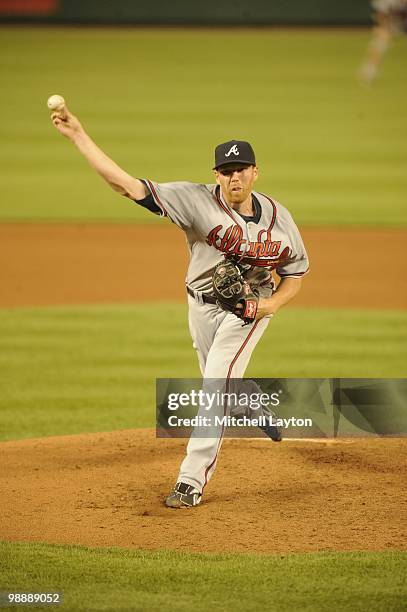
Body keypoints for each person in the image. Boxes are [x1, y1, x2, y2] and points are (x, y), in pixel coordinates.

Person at [51, 107, 309, 508]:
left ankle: (191, 480)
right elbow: (126, 186)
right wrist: (78, 136)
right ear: (216, 174)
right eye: (226, 170)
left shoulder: (279, 219)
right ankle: (246, 399)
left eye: (241, 168)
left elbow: (295, 273)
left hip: (248, 311)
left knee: (212, 389)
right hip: (200, 308)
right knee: (222, 385)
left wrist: (268, 306)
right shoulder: (194, 200)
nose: (234, 176)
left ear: (256, 172)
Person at [359, 0, 407, 82]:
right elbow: (382, 17)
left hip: (399, 16)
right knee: (382, 39)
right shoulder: (385, 2)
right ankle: (370, 69)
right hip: (394, 17)